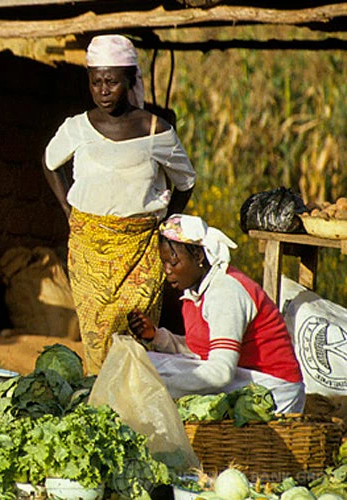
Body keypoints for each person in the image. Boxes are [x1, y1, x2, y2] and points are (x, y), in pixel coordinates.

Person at [43, 34, 196, 374]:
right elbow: (50, 161)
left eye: (112, 81)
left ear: (130, 80)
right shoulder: (78, 128)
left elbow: (186, 182)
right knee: (97, 336)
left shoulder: (155, 129)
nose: (103, 90)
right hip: (88, 249)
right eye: (96, 82)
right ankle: (102, 412)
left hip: (139, 249)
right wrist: (69, 212)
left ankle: (134, 409)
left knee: (134, 335)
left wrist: (163, 224)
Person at [128, 214, 305, 412]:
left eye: (174, 263)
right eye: (164, 263)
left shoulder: (225, 292)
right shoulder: (195, 292)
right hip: (244, 375)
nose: (167, 271)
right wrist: (158, 337)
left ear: (199, 257)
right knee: (145, 363)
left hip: (272, 389)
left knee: (151, 374)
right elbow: (204, 349)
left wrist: (161, 387)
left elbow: (220, 373)